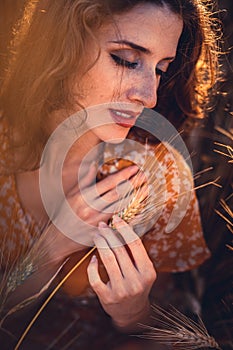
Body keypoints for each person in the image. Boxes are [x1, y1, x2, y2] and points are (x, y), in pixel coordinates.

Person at [0, 0, 220, 348]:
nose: (149, 96)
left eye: (161, 69)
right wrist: (51, 249)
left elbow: (176, 322)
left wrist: (133, 313)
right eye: (126, 60)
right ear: (62, 44)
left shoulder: (158, 172)